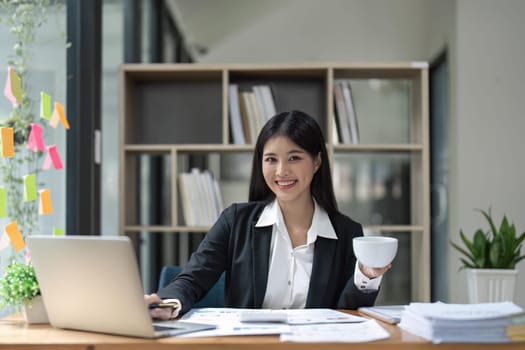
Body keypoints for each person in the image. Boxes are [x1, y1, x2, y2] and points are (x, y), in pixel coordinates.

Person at [146, 110, 391, 320]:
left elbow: (347, 316)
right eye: (271, 159)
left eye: (294, 158)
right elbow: (193, 278)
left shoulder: (347, 233)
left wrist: (366, 275)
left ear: (317, 162)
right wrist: (164, 302)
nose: (282, 171)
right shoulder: (235, 222)